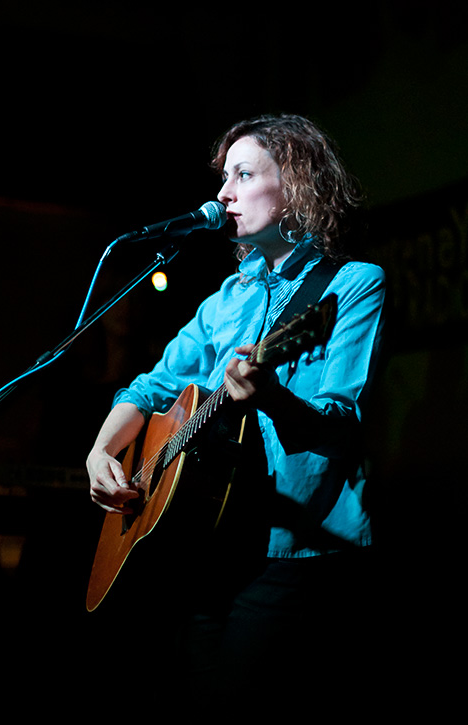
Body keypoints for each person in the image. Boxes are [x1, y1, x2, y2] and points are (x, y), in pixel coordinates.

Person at [86, 114, 386, 711]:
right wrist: (101, 451)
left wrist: (271, 396)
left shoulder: (352, 285)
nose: (222, 194)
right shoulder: (227, 298)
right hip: (209, 547)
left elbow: (340, 424)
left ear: (297, 185)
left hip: (296, 553)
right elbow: (150, 387)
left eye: (243, 174)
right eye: (224, 177)